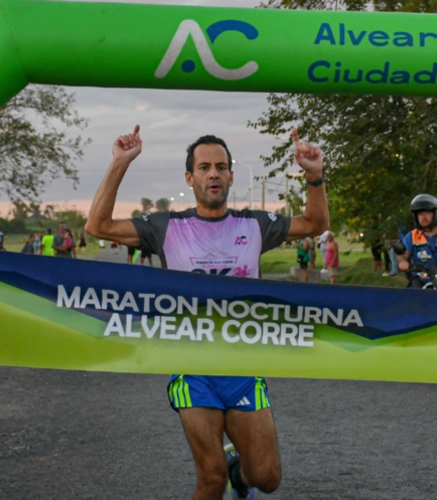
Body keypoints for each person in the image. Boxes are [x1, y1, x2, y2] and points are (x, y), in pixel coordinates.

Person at [85, 125, 328, 499]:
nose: (213, 173)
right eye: (204, 167)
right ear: (190, 177)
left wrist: (314, 175)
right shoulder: (166, 226)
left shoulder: (254, 224)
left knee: (266, 478)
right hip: (192, 366)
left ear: (230, 176)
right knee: (210, 480)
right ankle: (223, 473)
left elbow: (316, 224)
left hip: (243, 366)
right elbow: (97, 225)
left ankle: (239, 475)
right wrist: (120, 163)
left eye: (221, 167)